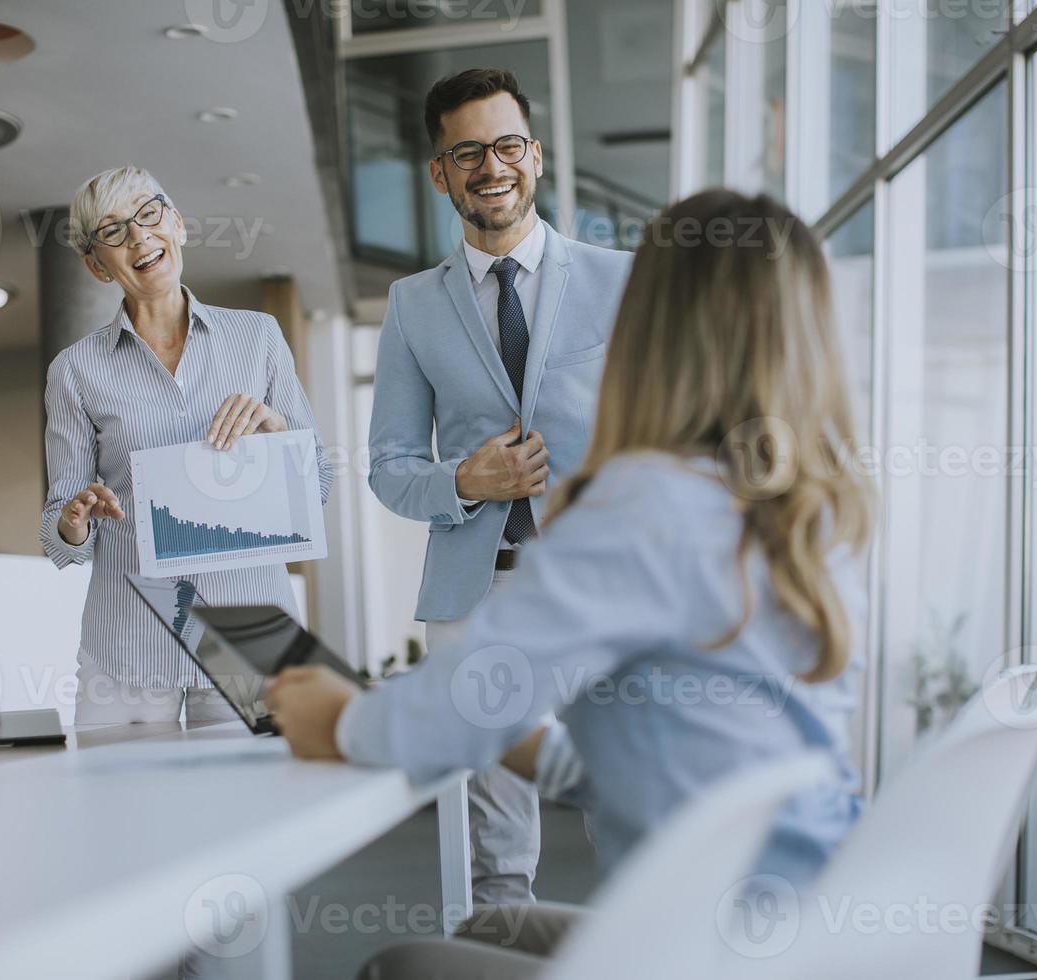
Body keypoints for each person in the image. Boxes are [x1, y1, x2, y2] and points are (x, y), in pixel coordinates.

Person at [266, 190, 876, 978]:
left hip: (700, 953)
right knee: (496, 927)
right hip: (811, 930)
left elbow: (457, 704)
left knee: (404, 965)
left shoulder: (653, 499)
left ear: (654, 333)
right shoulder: (813, 513)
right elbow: (706, 763)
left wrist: (342, 721)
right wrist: (538, 752)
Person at [365, 68, 633, 907]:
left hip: (602, 588)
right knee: (495, 842)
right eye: (468, 151)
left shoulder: (622, 280)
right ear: (440, 172)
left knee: (625, 809)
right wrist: (466, 481)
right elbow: (389, 467)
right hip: (478, 597)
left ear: (537, 156)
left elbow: (663, 438)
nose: (492, 166)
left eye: (507, 144)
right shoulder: (412, 306)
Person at [41, 165, 332, 727]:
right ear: (97, 265)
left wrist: (278, 438)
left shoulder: (259, 338)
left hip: (249, 638)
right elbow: (63, 533)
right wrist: (74, 519)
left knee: (255, 813)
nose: (139, 237)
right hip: (127, 644)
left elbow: (316, 485)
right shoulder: (75, 371)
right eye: (113, 232)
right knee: (119, 814)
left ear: (176, 223)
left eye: (149, 215)